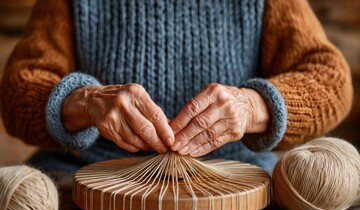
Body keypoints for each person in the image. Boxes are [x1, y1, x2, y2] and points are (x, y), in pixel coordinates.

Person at [0, 0, 352, 174]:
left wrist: (251, 106)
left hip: (236, 176)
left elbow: (330, 78)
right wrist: (85, 101)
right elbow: (18, 89)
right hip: (93, 175)